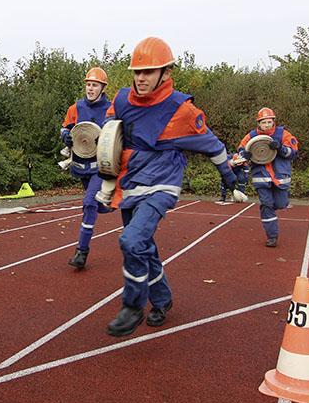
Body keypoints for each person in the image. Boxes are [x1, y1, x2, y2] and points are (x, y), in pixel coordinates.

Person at [102, 37, 239, 336]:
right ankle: (162, 301)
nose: (141, 78)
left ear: (165, 72)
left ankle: (133, 305)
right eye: (137, 72)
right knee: (145, 249)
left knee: (131, 241)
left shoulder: (182, 111)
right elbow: (109, 137)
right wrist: (105, 182)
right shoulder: (122, 100)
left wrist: (229, 177)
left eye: (148, 72)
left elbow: (213, 146)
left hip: (162, 184)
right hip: (131, 184)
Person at [60, 66, 114, 269]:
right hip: (80, 165)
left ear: (102, 87)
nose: (91, 88)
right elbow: (65, 127)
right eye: (89, 84)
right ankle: (110, 204)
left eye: (95, 85)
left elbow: (116, 132)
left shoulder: (110, 108)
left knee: (88, 203)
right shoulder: (75, 108)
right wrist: (65, 134)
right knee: (97, 206)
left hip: (100, 166)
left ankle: (81, 252)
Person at [237, 107, 299, 248]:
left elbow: (293, 152)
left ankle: (275, 205)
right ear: (258, 123)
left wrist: (280, 148)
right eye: (263, 122)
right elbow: (240, 150)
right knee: (266, 204)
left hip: (280, 177)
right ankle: (272, 236)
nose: (266, 125)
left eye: (269, 122)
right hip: (261, 177)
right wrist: (243, 155)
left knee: (281, 204)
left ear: (273, 121)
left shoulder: (283, 134)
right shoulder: (251, 136)